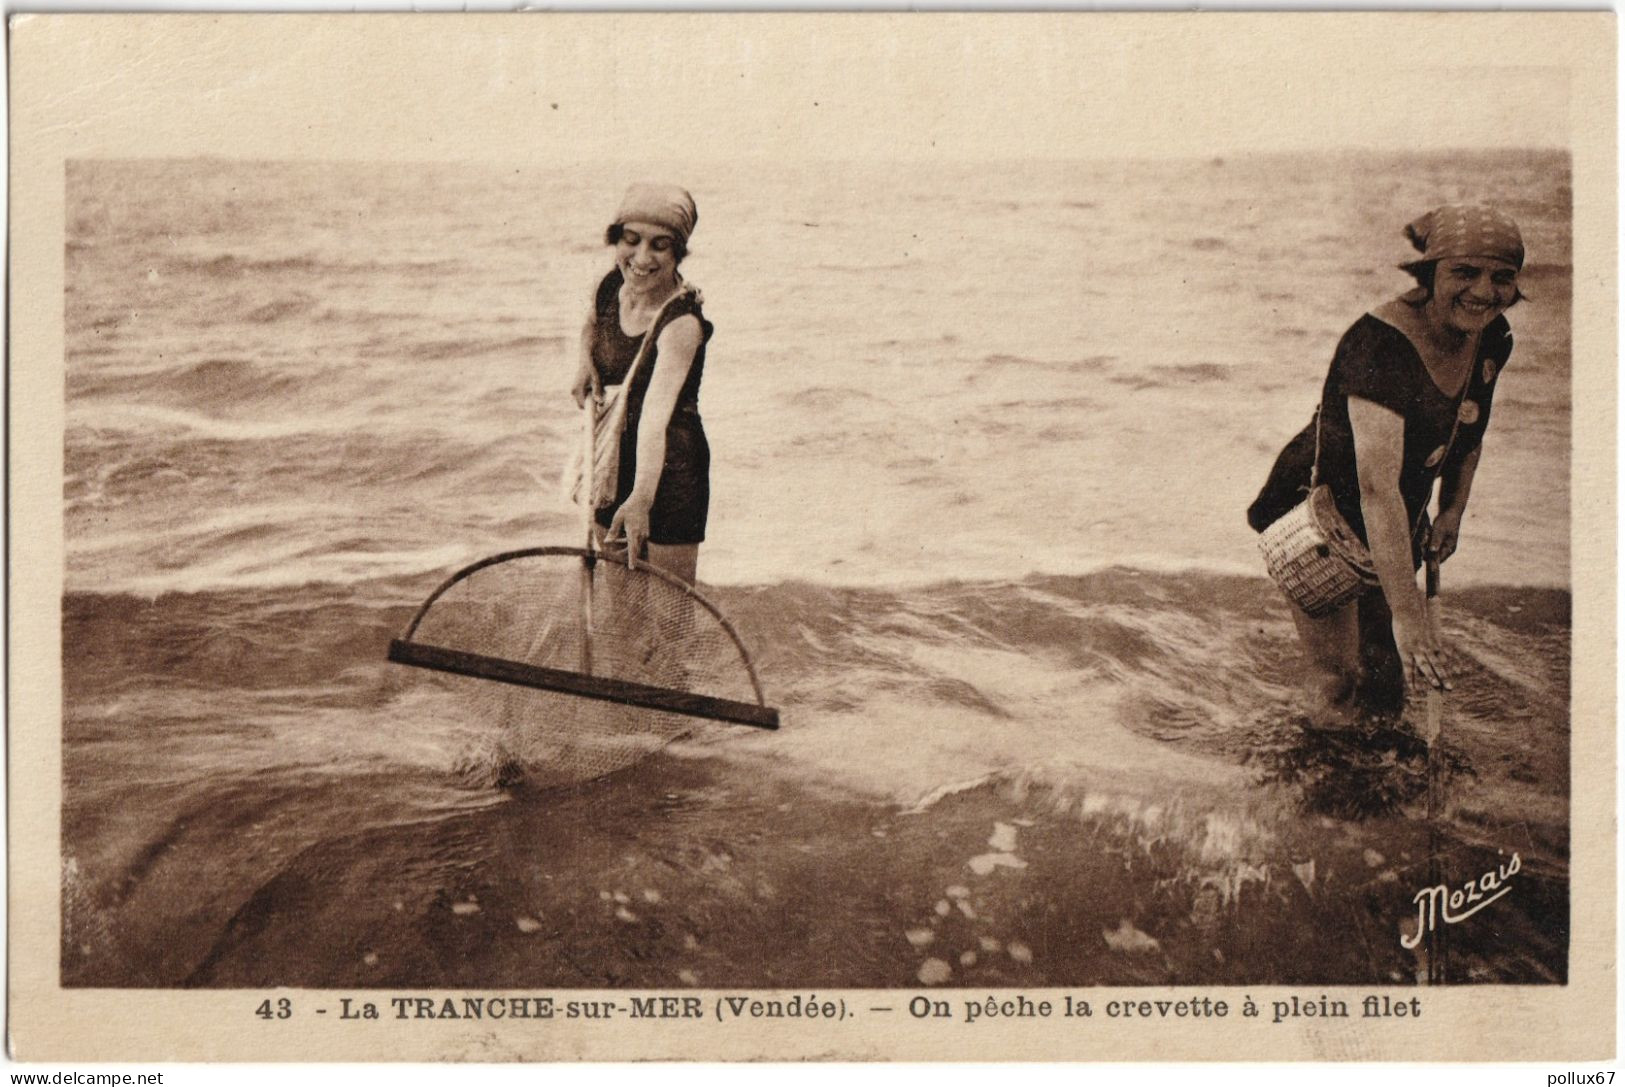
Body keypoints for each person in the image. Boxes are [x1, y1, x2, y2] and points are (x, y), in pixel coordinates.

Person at [1248, 205, 1525, 724]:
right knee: (1340, 681)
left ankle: (1367, 786)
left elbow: (1471, 430)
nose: (1485, 291)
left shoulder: (1492, 335)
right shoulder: (1378, 344)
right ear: (1431, 273)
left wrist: (1452, 511)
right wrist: (1409, 614)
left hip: (1397, 511)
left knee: (1384, 677)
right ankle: (1307, 791)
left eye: (1502, 277)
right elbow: (1375, 490)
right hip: (1325, 512)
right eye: (1464, 273)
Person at [570, 183, 712, 586]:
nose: (642, 258)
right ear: (616, 240)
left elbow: (654, 418)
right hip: (612, 461)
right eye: (631, 241)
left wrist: (641, 499)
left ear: (678, 252)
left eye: (660, 245)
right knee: (619, 599)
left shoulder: (681, 323)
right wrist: (585, 363)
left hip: (670, 473)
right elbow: (592, 324)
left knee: (669, 609)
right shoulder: (611, 286)